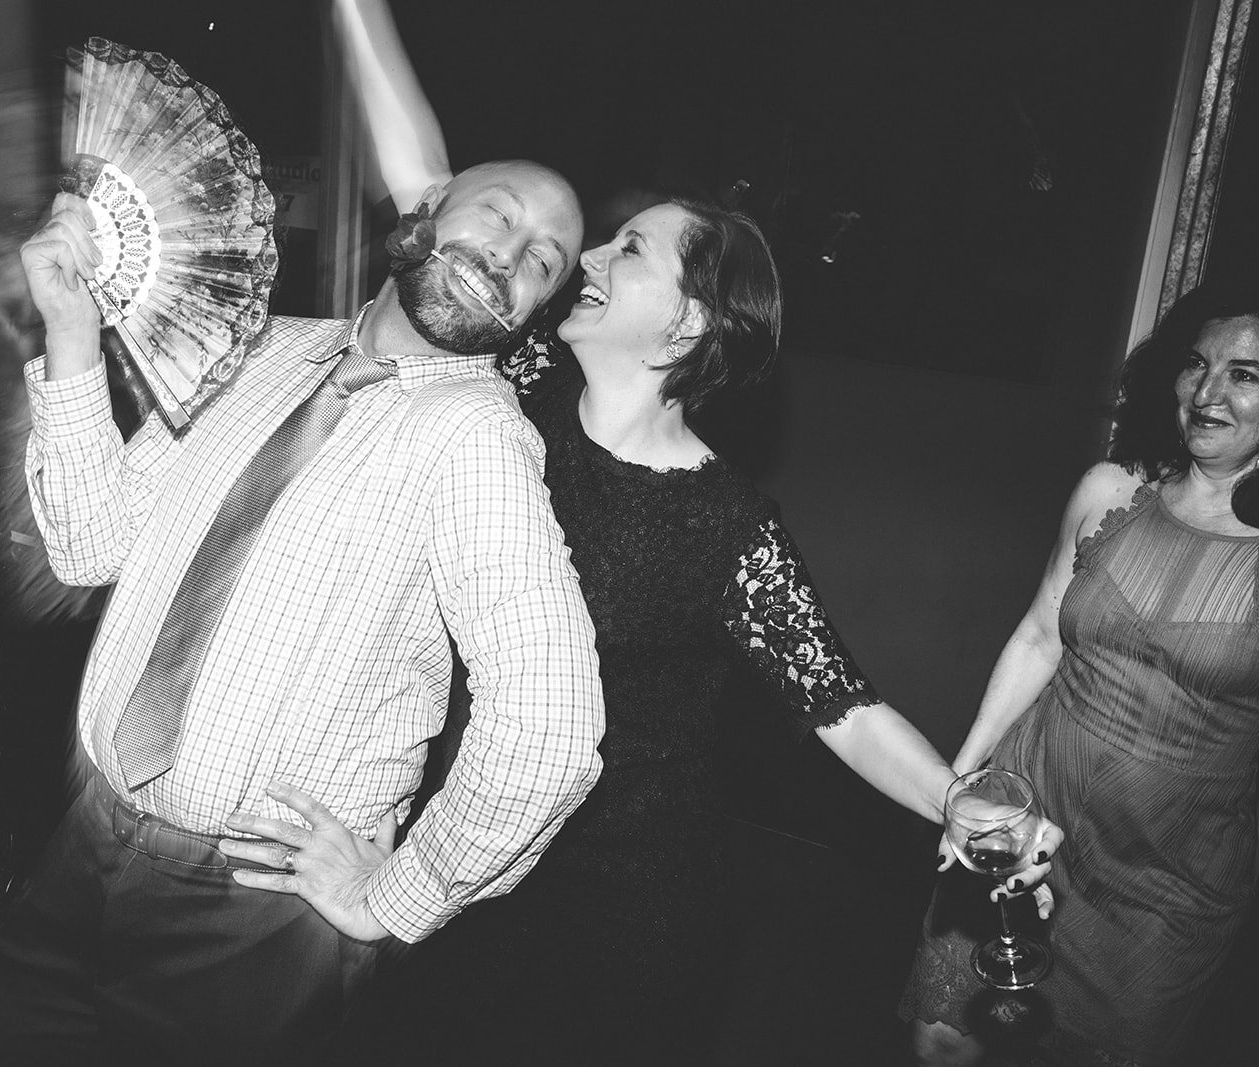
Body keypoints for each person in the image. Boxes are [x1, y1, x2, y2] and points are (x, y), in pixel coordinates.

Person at [213, 4, 1060, 1062]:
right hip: (464, 856)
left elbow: (839, 702)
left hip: (629, 906)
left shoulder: (724, 517)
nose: (588, 257)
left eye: (630, 246)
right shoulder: (510, 389)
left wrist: (966, 809)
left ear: (690, 320)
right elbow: (434, 194)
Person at [0, 140, 607, 1059]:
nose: (509, 257)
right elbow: (88, 543)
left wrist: (399, 892)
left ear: (532, 315)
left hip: (250, 917)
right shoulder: (263, 349)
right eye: (498, 215)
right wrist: (71, 331)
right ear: (423, 210)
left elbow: (548, 728)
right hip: (84, 837)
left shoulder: (475, 437)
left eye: (540, 262)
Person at [902, 278, 1259, 1067]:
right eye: (1197, 364)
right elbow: (1037, 637)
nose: (1207, 392)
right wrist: (959, 785)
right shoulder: (1111, 491)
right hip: (1027, 827)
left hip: (1169, 889)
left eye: (1245, 374)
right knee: (940, 1039)